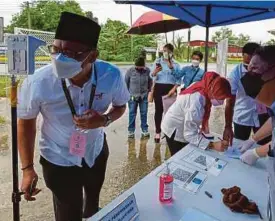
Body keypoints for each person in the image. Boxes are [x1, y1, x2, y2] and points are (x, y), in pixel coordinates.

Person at [17, 12, 130, 221]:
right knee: (68, 212)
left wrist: (103, 120)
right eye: (56, 49)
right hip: (58, 158)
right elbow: (25, 123)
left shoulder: (111, 75)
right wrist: (27, 169)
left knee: (93, 206)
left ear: (92, 56)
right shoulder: (38, 82)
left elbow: (121, 106)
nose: (60, 59)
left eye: (71, 53)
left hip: (94, 153)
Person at [240, 45, 275, 221]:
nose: (247, 77)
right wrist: (253, 139)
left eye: (254, 68)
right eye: (247, 68)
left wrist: (255, 152)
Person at [161, 72, 232, 156]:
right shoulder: (196, 101)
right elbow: (189, 134)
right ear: (214, 91)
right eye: (221, 98)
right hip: (174, 129)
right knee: (180, 157)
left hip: (180, 121)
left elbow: (193, 121)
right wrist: (213, 145)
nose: (222, 102)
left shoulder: (205, 86)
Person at [223, 42, 271, 145]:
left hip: (262, 115)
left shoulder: (265, 70)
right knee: (239, 145)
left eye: (256, 57)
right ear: (243, 55)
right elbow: (230, 101)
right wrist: (227, 125)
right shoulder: (235, 74)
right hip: (243, 115)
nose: (253, 60)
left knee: (263, 144)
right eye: (249, 56)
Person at [150, 43, 181, 143]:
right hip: (159, 87)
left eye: (167, 51)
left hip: (171, 88)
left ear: (171, 53)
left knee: (170, 112)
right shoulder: (157, 61)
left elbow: (179, 79)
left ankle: (168, 132)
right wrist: (154, 72)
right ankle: (158, 132)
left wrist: (171, 67)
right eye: (163, 51)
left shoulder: (176, 64)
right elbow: (151, 76)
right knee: (158, 110)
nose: (165, 53)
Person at [125, 57, 152, 138]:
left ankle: (144, 129)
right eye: (138, 67)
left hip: (144, 96)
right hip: (132, 96)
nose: (139, 68)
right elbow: (126, 83)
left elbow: (150, 81)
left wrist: (149, 91)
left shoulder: (147, 71)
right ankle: (131, 130)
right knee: (132, 113)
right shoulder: (130, 71)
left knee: (144, 113)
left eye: (141, 67)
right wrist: (127, 95)